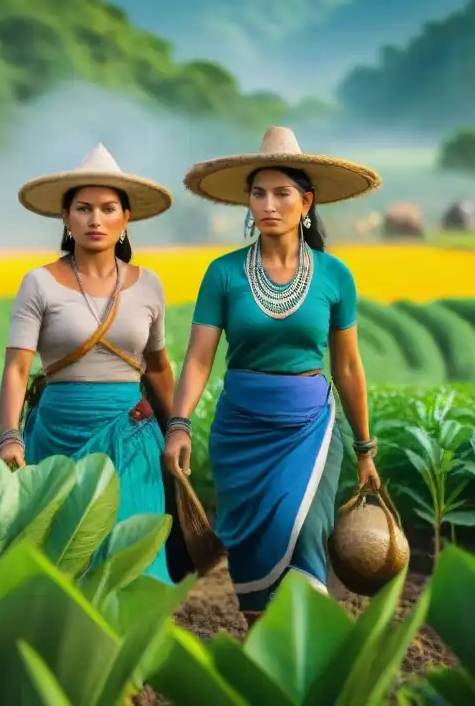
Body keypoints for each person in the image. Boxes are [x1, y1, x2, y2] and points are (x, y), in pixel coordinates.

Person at [163, 126, 384, 628]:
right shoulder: (223, 273)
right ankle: (267, 650)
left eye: (282, 193)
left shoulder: (334, 275)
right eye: (258, 193)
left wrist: (366, 447)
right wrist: (179, 423)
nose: (269, 204)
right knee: (252, 548)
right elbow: (198, 358)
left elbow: (348, 365)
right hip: (241, 429)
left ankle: (308, 647)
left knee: (302, 527)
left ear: (306, 202)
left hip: (310, 427)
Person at [0, 143, 176, 583]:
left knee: (132, 560)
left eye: (108, 208)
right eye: (84, 209)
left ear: (125, 218)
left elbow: (158, 367)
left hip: (132, 434)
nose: (96, 220)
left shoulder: (149, 285)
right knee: (63, 561)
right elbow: (18, 369)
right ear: (66, 217)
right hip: (56, 434)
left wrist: (179, 428)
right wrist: (10, 437)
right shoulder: (38, 283)